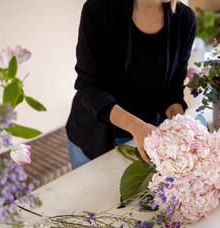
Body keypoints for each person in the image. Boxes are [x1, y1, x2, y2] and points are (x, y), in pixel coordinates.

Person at [66, 0, 196, 169]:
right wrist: (136, 127)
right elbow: (89, 86)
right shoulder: (98, 9)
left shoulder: (184, 19)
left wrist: (182, 129)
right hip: (96, 136)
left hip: (150, 135)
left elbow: (172, 90)